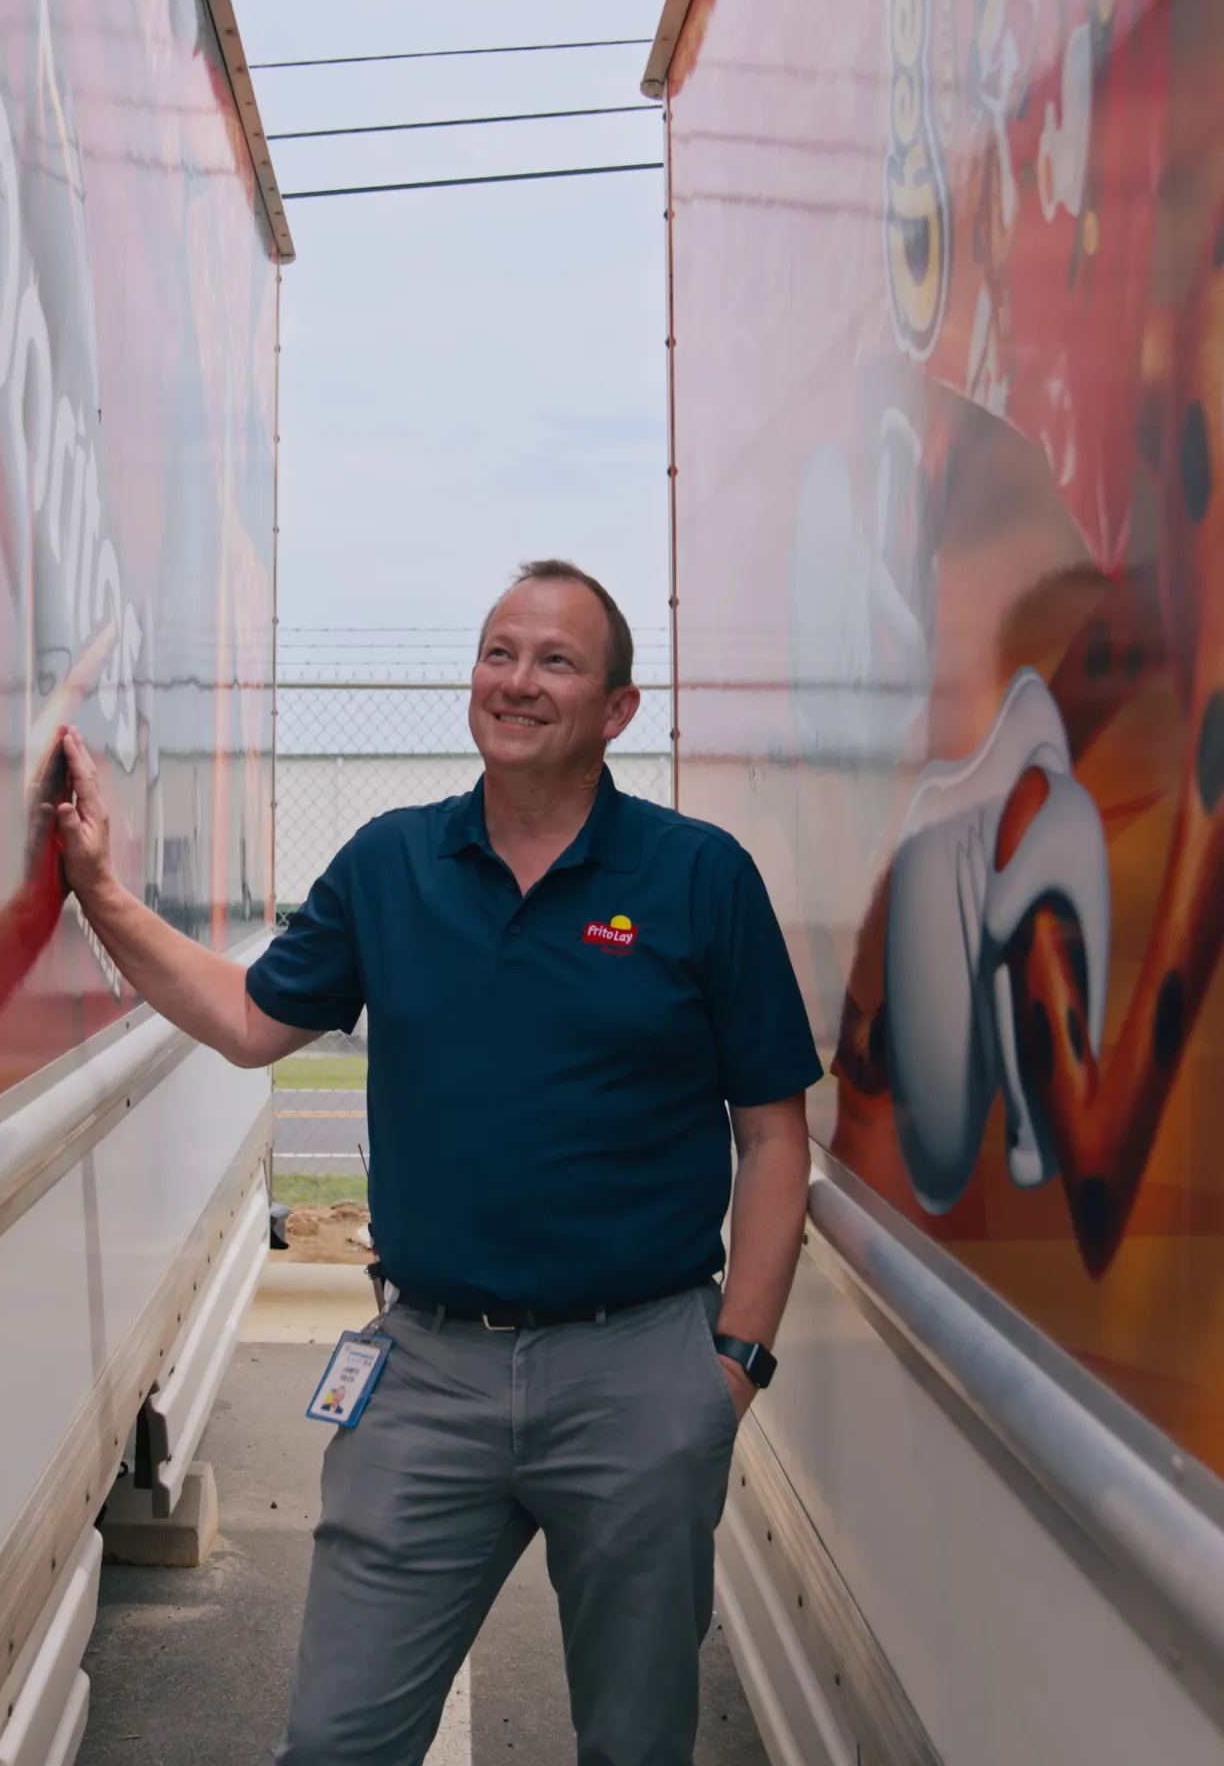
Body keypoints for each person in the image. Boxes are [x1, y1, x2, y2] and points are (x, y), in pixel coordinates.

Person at [55, 559, 822, 1766]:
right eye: (498, 651)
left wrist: (732, 1365)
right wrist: (99, 888)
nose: (515, 681)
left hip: (638, 1372)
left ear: (617, 709)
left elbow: (775, 1133)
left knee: (635, 1743)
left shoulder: (696, 878)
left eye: (556, 661)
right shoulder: (391, 866)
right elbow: (251, 1019)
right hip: (423, 1374)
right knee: (338, 1740)